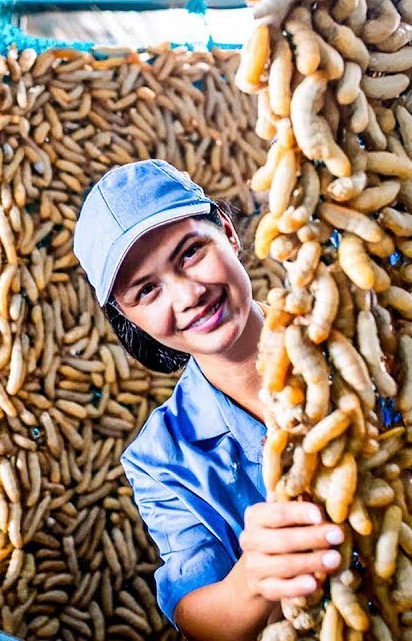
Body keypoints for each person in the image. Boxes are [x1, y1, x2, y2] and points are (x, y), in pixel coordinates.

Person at [73, 160, 343, 641]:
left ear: (227, 232)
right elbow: (196, 612)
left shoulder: (347, 333)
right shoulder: (160, 458)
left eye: (191, 253)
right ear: (129, 317)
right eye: (147, 290)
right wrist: (252, 582)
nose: (188, 295)